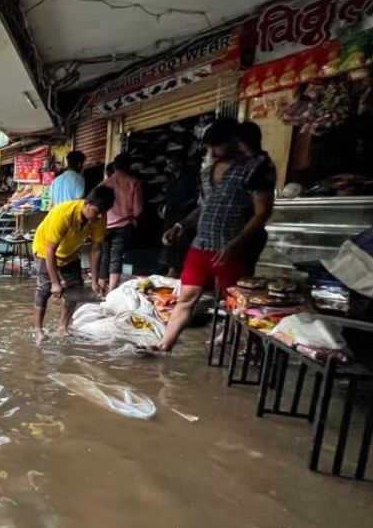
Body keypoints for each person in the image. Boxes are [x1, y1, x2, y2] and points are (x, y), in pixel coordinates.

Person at [142, 118, 275, 355]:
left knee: (237, 304)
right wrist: (181, 226)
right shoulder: (207, 173)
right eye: (210, 146)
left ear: (234, 142)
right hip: (201, 245)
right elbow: (204, 207)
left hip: (232, 249)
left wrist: (236, 244)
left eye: (218, 145)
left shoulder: (256, 169)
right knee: (186, 298)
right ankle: (164, 346)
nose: (212, 151)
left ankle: (250, 349)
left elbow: (262, 212)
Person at [32, 186, 113, 341]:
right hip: (45, 249)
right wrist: (55, 283)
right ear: (87, 203)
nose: (99, 216)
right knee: (44, 289)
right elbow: (50, 250)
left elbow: (96, 249)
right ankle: (38, 330)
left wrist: (95, 281)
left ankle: (62, 327)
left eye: (103, 212)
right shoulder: (63, 214)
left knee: (75, 287)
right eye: (96, 211)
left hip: (70, 252)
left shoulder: (99, 217)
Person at [100, 152, 143, 291]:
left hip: (105, 225)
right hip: (123, 226)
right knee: (116, 257)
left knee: (104, 254)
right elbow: (137, 211)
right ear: (128, 166)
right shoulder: (133, 182)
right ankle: (112, 290)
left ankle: (100, 286)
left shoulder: (104, 184)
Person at [237, 121, 277, 266]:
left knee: (237, 279)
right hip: (244, 233)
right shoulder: (251, 163)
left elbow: (262, 211)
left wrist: (239, 240)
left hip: (247, 234)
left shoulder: (260, 166)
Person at [158, 155, 199, 277]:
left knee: (181, 244)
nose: (169, 165)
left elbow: (195, 198)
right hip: (170, 215)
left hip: (184, 215)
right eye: (168, 163)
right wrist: (162, 207)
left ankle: (176, 271)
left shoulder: (189, 179)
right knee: (169, 242)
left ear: (179, 163)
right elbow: (166, 197)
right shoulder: (170, 179)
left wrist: (183, 206)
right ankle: (171, 269)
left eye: (171, 162)